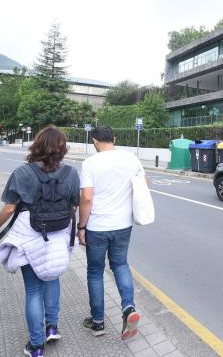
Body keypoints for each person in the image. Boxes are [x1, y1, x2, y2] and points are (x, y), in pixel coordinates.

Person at [0, 126, 80, 357]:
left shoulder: (22, 172)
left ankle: (37, 346)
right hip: (57, 235)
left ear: (36, 145)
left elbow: (10, 208)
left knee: (34, 290)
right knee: (52, 278)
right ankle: (52, 327)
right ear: (63, 148)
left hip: (29, 236)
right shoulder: (71, 173)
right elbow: (75, 203)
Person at [77, 125, 143, 340]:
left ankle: (97, 322)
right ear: (114, 138)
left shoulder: (89, 163)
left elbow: (86, 198)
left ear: (94, 141)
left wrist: (81, 227)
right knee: (121, 265)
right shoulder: (131, 158)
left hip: (97, 227)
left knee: (95, 271)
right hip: (123, 224)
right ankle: (128, 308)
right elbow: (143, 184)